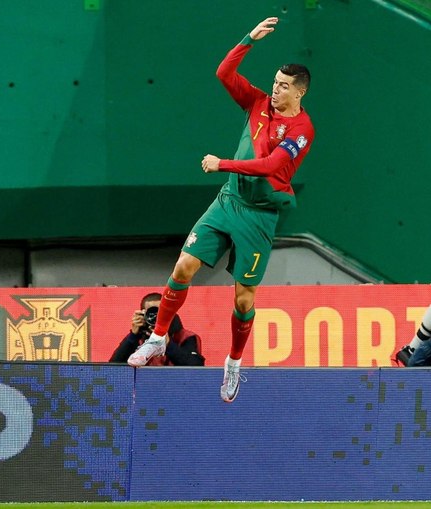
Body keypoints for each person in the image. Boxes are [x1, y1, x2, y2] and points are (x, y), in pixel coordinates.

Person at [127, 16, 315, 403]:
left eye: (282, 86)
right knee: (183, 267)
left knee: (244, 298)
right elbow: (224, 71)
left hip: (259, 217)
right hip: (228, 201)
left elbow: (269, 167)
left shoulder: (302, 129)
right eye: (275, 82)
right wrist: (249, 39)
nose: (274, 89)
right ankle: (159, 338)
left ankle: (233, 363)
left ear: (299, 93)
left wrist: (222, 163)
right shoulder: (258, 103)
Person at [109, 292, 205, 366]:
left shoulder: (186, 337)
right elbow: (112, 368)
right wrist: (133, 336)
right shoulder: (137, 339)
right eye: (152, 313)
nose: (157, 318)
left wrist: (168, 344)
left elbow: (196, 368)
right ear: (143, 315)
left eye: (161, 313)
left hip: (177, 388)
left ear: (170, 313)